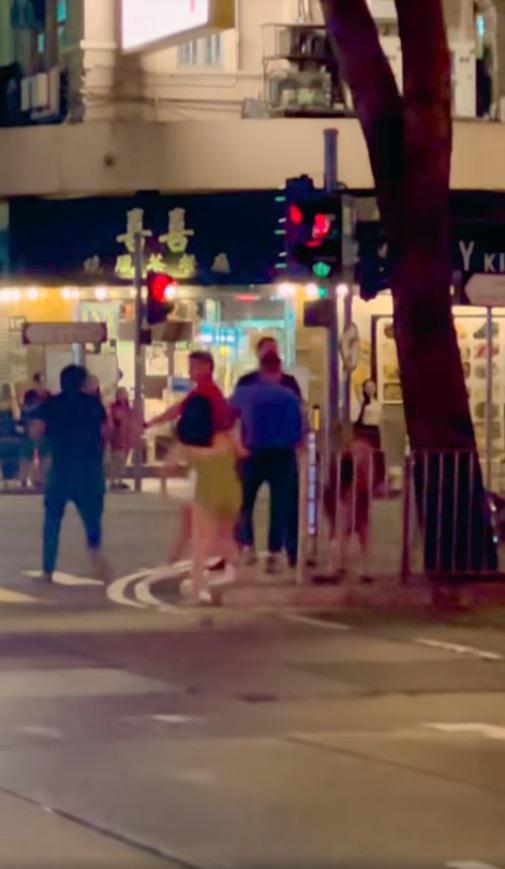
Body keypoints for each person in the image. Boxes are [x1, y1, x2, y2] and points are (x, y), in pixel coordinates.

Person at [148, 352, 241, 604]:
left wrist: (165, 482)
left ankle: (197, 584)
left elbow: (171, 461)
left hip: (206, 486)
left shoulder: (204, 397)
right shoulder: (220, 428)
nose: (191, 372)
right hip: (229, 486)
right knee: (219, 536)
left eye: (194, 367)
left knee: (201, 538)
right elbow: (239, 448)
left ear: (206, 367)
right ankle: (230, 568)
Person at [31, 365, 111, 583]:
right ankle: (95, 555)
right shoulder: (93, 404)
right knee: (92, 518)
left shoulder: (51, 404)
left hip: (61, 470)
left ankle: (48, 569)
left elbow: (36, 431)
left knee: (52, 519)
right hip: (90, 470)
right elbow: (107, 431)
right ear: (82, 382)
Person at [231, 350, 303, 573]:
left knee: (244, 502)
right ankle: (274, 552)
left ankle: (247, 546)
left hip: (251, 453)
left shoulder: (244, 393)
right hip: (282, 455)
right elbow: (300, 427)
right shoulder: (289, 396)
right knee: (280, 505)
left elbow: (229, 419)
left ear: (260, 369)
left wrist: (237, 447)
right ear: (278, 370)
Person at [236, 336, 301, 399]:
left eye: (274, 352)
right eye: (268, 353)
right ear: (258, 354)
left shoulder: (289, 382)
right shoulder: (246, 382)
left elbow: (297, 403)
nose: (271, 357)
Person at [355, 379, 385, 491]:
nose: (370, 389)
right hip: (365, 430)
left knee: (376, 456)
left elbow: (380, 420)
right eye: (367, 387)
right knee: (366, 456)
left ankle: (376, 481)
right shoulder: (363, 401)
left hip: (375, 430)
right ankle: (364, 481)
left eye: (372, 386)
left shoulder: (377, 403)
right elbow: (356, 386)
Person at [109, 387, 135, 490]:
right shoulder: (114, 408)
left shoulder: (128, 409)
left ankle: (119, 480)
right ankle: (114, 481)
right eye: (121, 393)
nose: (123, 395)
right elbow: (113, 421)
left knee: (122, 460)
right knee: (117, 459)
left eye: (124, 393)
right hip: (117, 438)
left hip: (126, 438)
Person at [0, 384, 20, 490]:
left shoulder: (11, 403)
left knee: (7, 457)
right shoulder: (12, 403)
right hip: (8, 436)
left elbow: (17, 416)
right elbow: (17, 417)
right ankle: (8, 479)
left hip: (7, 436)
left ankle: (7, 479)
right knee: (9, 457)